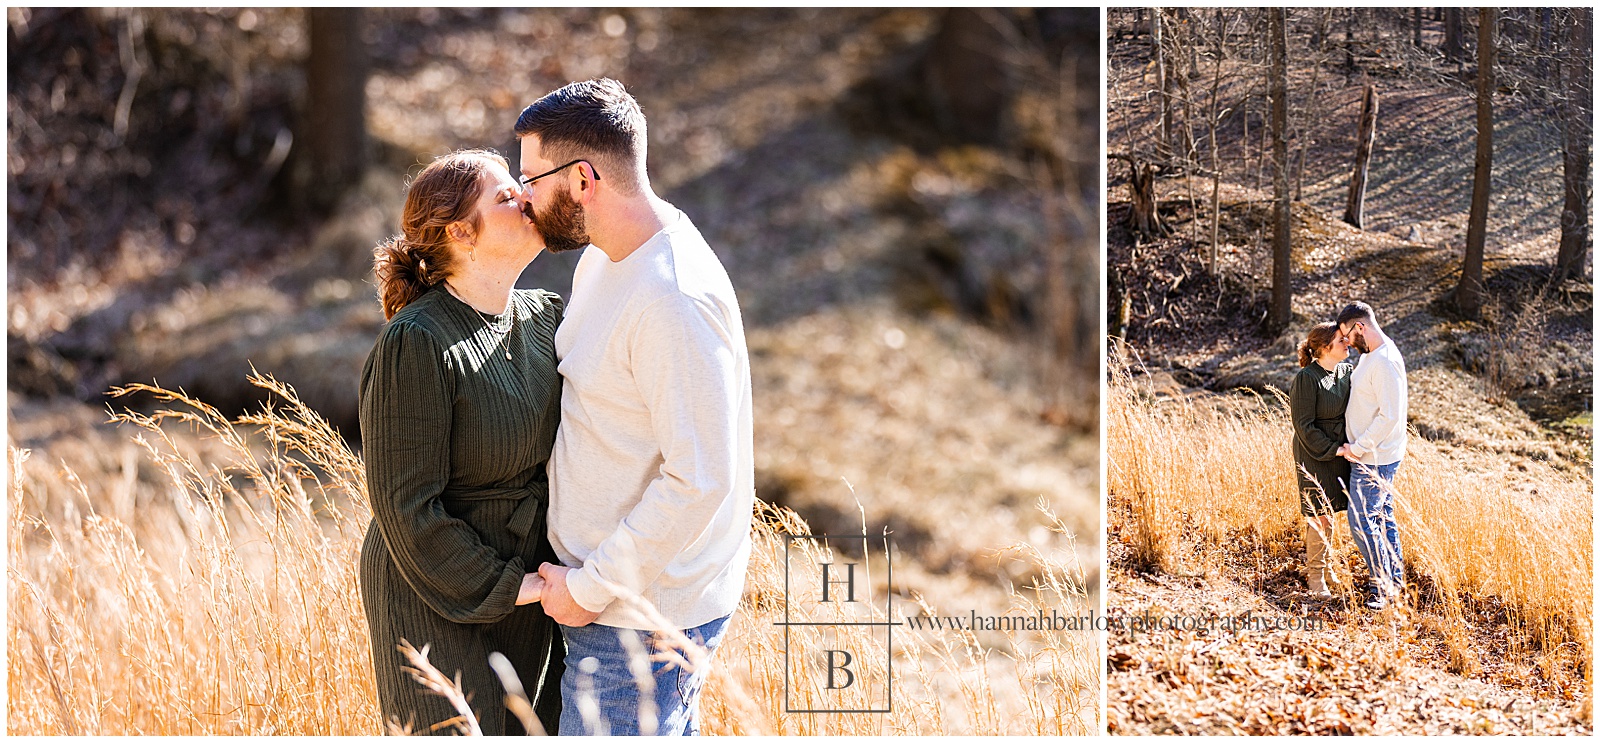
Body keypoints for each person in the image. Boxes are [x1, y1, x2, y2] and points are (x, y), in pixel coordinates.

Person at [515, 78, 755, 736]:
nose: (523, 194)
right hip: (610, 604)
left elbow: (700, 478)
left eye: (533, 176)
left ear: (583, 179)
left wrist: (588, 589)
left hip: (637, 620)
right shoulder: (607, 256)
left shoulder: (671, 297)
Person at [358, 149, 565, 734]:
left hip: (527, 587)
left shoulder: (546, 318)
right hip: (430, 590)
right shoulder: (417, 342)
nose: (526, 197)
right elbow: (405, 508)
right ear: (459, 232)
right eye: (505, 197)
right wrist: (512, 587)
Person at [1335, 301, 1408, 611]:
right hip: (1371, 452)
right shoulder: (1371, 355)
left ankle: (1383, 587)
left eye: (1347, 335)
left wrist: (1358, 447)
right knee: (1381, 516)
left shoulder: (1385, 361)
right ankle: (1394, 581)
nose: (1346, 343)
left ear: (1360, 327)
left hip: (1374, 457)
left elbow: (1390, 416)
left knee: (1362, 521)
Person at [1289, 322, 1352, 598]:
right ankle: (1316, 579)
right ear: (1326, 348)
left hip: (1339, 450)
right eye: (1341, 340)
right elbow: (1303, 425)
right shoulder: (1308, 378)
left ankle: (1326, 570)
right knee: (1319, 514)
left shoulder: (1346, 372)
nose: (1347, 343)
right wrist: (1334, 449)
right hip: (1314, 451)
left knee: (1330, 510)